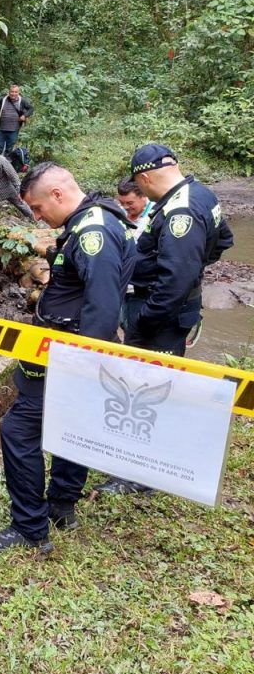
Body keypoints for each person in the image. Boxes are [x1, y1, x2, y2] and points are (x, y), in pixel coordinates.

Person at [0, 162, 135, 551]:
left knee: (17, 432)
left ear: (57, 195)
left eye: (36, 208)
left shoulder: (92, 232)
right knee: (74, 427)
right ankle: (61, 505)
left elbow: (101, 305)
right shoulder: (94, 220)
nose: (36, 217)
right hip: (70, 352)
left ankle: (30, 529)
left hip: (68, 355)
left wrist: (83, 366)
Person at [95, 143, 233, 495]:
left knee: (148, 392)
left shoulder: (181, 210)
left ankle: (142, 477)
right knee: (159, 386)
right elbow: (224, 240)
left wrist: (146, 320)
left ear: (143, 178)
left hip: (161, 316)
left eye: (139, 189)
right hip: (171, 308)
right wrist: (192, 266)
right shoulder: (200, 193)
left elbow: (175, 280)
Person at [0, 84, 33, 156]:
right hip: (1, 128)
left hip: (14, 130)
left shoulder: (22, 101)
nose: (13, 94)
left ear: (18, 93)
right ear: (9, 92)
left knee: (9, 150)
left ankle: (6, 164)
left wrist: (24, 116)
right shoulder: (2, 100)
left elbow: (31, 109)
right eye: (12, 92)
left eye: (16, 92)